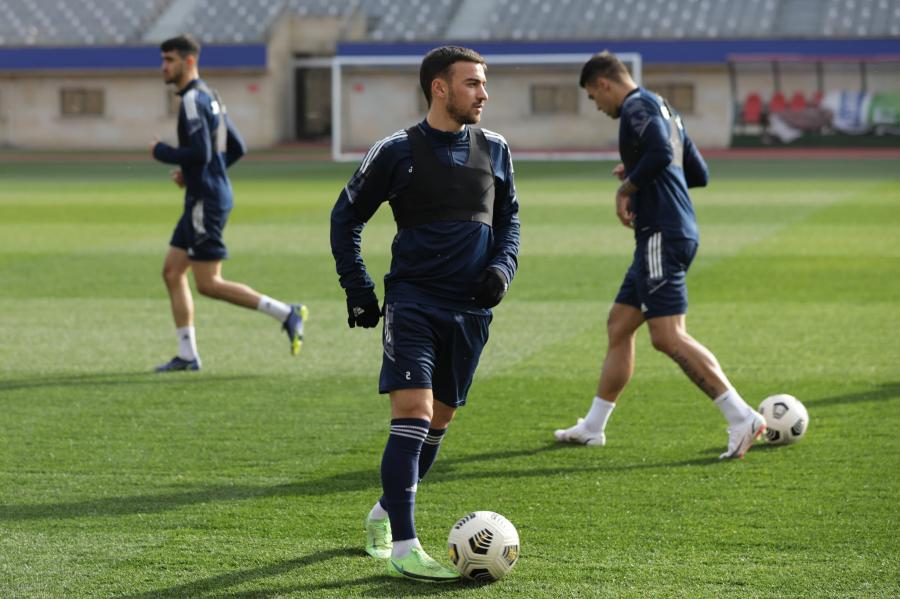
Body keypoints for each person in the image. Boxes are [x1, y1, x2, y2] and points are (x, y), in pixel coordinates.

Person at [330, 45, 520, 582]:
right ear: (440, 88)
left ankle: (383, 514)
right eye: (473, 83)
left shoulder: (496, 148)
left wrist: (502, 269)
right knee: (413, 413)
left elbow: (509, 220)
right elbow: (345, 217)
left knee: (438, 422)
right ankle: (405, 548)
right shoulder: (396, 151)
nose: (484, 94)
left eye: (483, 83)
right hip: (413, 301)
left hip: (471, 310)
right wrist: (358, 287)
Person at [554, 51, 766, 460]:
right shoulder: (665, 108)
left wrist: (628, 186)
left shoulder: (635, 107)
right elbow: (697, 172)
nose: (598, 107)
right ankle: (593, 427)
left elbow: (660, 155)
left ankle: (742, 416)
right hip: (671, 231)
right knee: (619, 325)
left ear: (603, 84)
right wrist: (638, 169)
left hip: (661, 234)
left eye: (594, 98)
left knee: (667, 336)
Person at [151, 35, 307, 372]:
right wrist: (199, 174)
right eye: (163, 60)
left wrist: (162, 151)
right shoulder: (211, 96)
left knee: (208, 283)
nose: (163, 66)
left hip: (204, 200)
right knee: (172, 271)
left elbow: (201, 152)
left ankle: (286, 312)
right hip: (206, 193)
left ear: (189, 61)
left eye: (169, 60)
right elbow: (236, 147)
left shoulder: (192, 100)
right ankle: (187, 355)